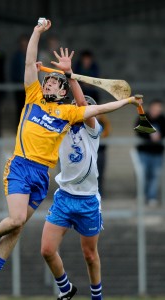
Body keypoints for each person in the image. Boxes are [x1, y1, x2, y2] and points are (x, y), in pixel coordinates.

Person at [0, 18, 142, 296]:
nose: (47, 83)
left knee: (25, 229)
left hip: (46, 178)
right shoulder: (34, 98)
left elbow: (91, 108)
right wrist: (37, 33)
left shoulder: (68, 115)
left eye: (52, 82)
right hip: (23, 168)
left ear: (63, 93)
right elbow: (29, 67)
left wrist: (127, 101)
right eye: (46, 80)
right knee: (19, 224)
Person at [41, 94, 104, 300]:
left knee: (90, 255)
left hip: (87, 200)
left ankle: (97, 297)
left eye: (81, 107)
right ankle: (66, 288)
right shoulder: (62, 127)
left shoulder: (93, 130)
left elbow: (83, 105)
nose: (76, 108)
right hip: (64, 197)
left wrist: (70, 76)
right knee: (47, 250)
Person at [135, 99, 165, 206]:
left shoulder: (162, 119)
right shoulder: (142, 117)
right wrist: (150, 135)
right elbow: (138, 130)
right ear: (151, 108)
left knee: (155, 176)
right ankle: (142, 195)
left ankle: (152, 197)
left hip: (157, 153)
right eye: (155, 109)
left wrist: (159, 136)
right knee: (143, 175)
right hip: (144, 152)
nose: (156, 111)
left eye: (158, 109)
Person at [10, 34, 29, 129]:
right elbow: (13, 71)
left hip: (30, 87)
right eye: (22, 44)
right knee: (20, 108)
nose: (24, 46)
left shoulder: (32, 55)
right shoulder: (16, 56)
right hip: (19, 87)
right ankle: (19, 128)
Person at [96, 114, 112, 196]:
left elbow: (107, 132)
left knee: (100, 173)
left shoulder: (104, 122)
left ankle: (100, 192)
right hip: (90, 152)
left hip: (100, 151)